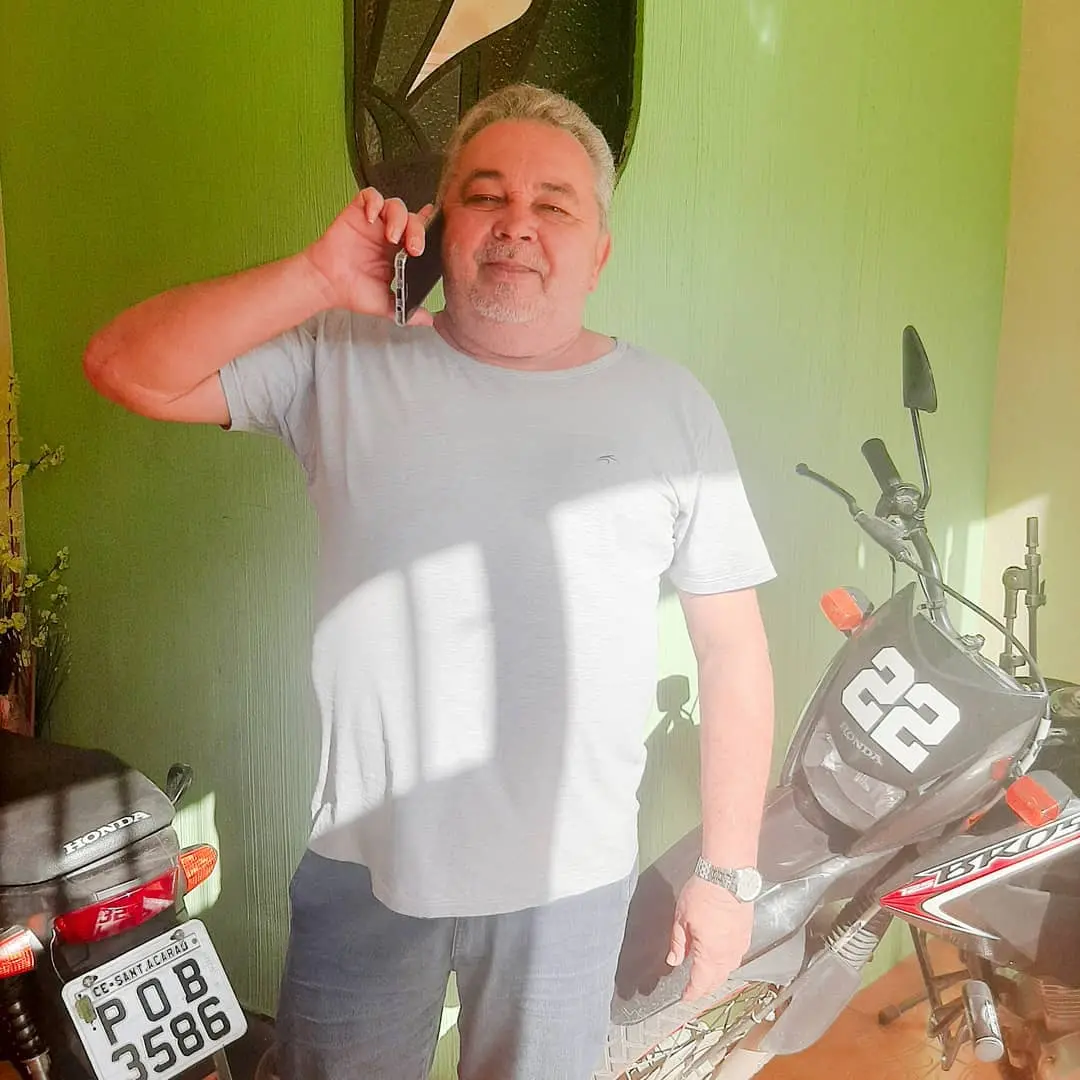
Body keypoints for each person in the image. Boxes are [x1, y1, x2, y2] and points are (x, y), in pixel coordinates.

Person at [83, 83, 776, 1080]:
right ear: (443, 225)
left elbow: (731, 648)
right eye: (486, 196)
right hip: (364, 869)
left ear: (599, 252)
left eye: (554, 205)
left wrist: (728, 872)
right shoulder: (344, 361)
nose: (516, 224)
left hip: (568, 884)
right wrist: (317, 276)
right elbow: (124, 366)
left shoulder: (670, 406)